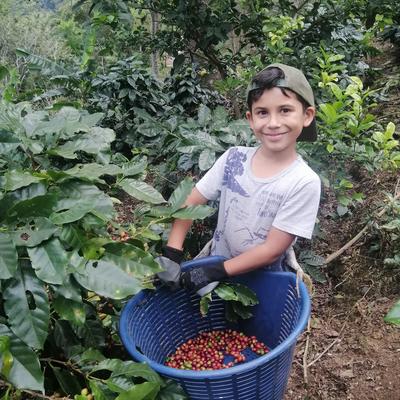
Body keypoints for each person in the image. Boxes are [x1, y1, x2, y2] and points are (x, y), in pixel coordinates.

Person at [157, 63, 321, 295]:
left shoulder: (303, 181)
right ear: (250, 119)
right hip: (217, 268)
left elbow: (272, 250)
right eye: (262, 112)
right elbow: (192, 201)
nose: (273, 123)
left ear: (307, 116)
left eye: (285, 110)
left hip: (266, 282)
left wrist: (215, 271)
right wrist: (172, 253)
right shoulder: (233, 159)